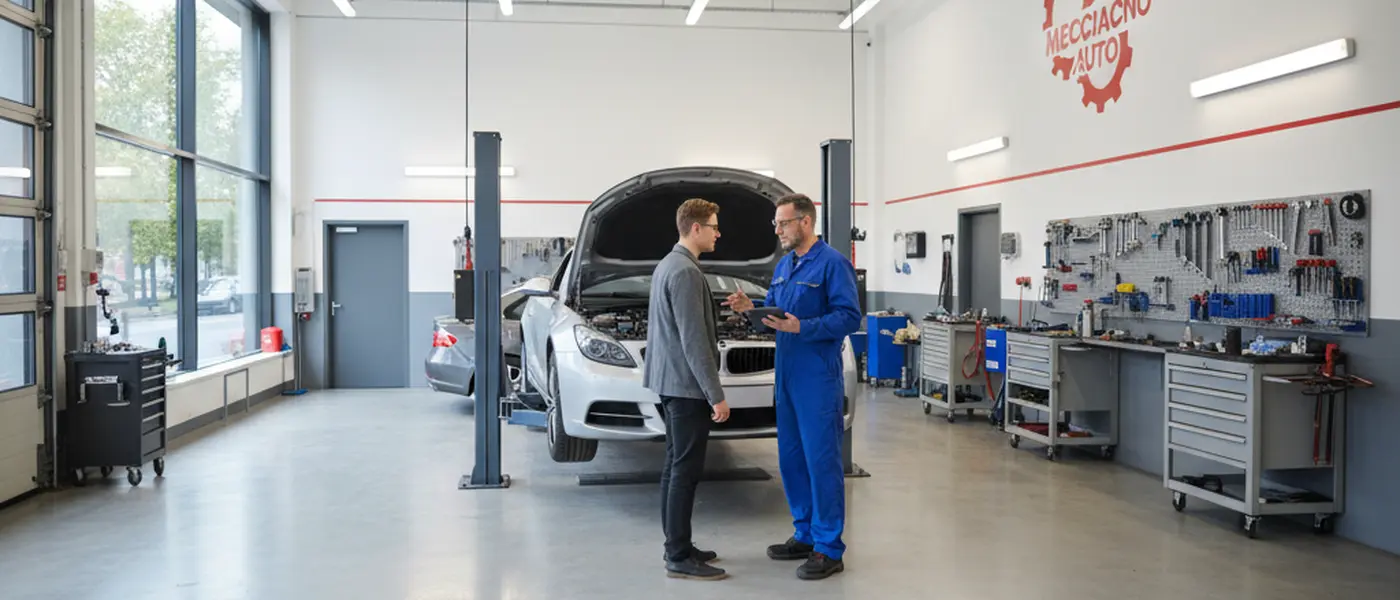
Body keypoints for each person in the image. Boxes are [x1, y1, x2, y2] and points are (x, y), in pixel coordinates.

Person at [723, 193, 861, 581]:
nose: (778, 230)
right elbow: (774, 314)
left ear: (805, 222)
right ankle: (805, 534)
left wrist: (804, 326)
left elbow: (850, 317)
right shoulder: (785, 265)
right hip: (785, 374)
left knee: (821, 461)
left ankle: (828, 547)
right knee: (792, 459)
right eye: (776, 224)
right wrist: (750, 309)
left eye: (783, 223)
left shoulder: (833, 264)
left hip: (817, 377)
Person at [642, 197, 733, 581]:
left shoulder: (669, 264)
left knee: (674, 466)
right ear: (695, 228)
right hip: (685, 387)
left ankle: (678, 544)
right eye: (713, 227)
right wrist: (716, 395)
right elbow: (694, 341)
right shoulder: (685, 272)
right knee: (685, 471)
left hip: (670, 383)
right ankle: (678, 554)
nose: (718, 234)